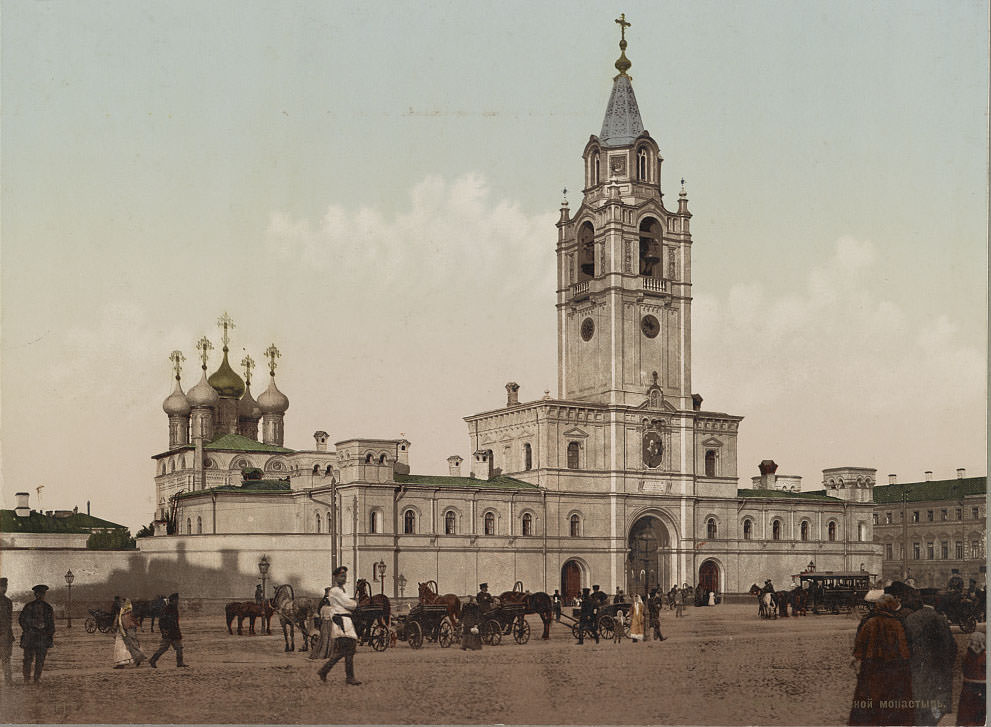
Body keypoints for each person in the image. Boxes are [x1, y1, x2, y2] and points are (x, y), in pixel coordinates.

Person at [848, 593, 913, 726]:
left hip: (871, 666)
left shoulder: (869, 622)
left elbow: (859, 644)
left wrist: (856, 659)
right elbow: (904, 648)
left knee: (869, 698)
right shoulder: (897, 623)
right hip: (893, 668)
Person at [897, 584, 956, 725]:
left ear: (922, 600)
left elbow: (904, 646)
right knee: (935, 706)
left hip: (916, 669)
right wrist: (946, 666)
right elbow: (950, 647)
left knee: (918, 703)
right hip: (936, 671)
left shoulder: (910, 619)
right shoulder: (940, 619)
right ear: (935, 600)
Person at [317, 565, 361, 686]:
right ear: (336, 577)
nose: (344, 578)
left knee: (346, 650)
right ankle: (348, 676)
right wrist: (356, 604)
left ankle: (325, 671)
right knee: (347, 650)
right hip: (342, 621)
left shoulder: (341, 591)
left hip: (346, 621)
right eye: (342, 576)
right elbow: (348, 604)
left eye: (345, 576)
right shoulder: (335, 591)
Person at [18, 584, 54, 683]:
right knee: (27, 659)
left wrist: (49, 634)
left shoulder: (48, 608)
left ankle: (37, 679)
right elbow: (21, 620)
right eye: (39, 593)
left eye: (43, 594)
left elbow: (51, 623)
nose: (41, 596)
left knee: (40, 659)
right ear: (35, 594)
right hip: (30, 636)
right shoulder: (28, 606)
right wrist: (28, 629)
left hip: (42, 637)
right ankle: (26, 679)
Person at [149, 592, 187, 668]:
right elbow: (161, 621)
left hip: (173, 632)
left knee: (175, 648)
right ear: (173, 600)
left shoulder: (172, 608)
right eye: (176, 600)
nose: (177, 601)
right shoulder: (167, 609)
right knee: (167, 648)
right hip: (170, 632)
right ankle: (153, 660)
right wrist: (164, 631)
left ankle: (179, 662)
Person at [956, 629, 986, 726]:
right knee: (981, 713)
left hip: (968, 686)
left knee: (966, 714)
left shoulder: (965, 655)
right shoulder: (986, 656)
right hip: (983, 686)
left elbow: (962, 669)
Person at [112, 599, 146, 668]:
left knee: (120, 646)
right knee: (131, 645)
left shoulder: (122, 613)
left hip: (123, 631)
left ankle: (121, 663)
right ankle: (136, 658)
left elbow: (118, 622)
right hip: (127, 631)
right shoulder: (128, 612)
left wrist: (114, 629)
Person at [308, 587, 335, 660]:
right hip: (329, 623)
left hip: (323, 623)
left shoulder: (323, 606)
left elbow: (321, 615)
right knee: (330, 639)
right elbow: (332, 617)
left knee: (323, 639)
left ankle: (321, 653)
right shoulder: (331, 608)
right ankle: (329, 653)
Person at [0, 578, 14, 685]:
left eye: (5, 586)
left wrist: (9, 634)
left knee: (6, 658)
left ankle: (8, 680)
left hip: (6, 635)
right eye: (2, 586)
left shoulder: (8, 602)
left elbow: (9, 620)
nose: (4, 589)